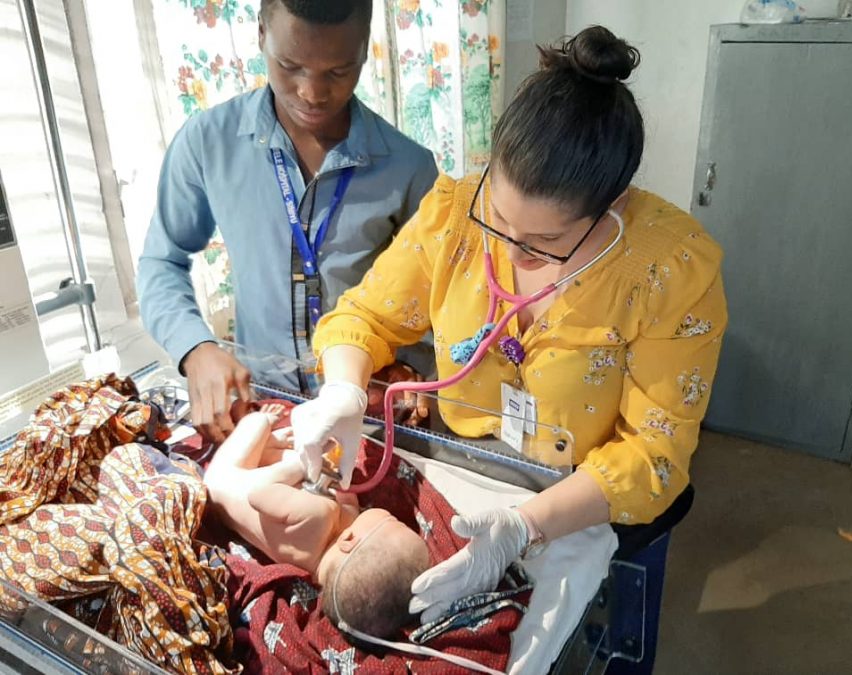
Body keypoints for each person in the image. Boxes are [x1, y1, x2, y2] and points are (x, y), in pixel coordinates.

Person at [291, 24, 728, 622]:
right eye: (499, 219)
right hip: (467, 465)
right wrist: (343, 386)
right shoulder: (453, 213)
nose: (514, 253)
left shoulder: (669, 272)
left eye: (547, 242)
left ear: (614, 205)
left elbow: (655, 454)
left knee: (577, 628)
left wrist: (524, 527)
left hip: (587, 492)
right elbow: (363, 316)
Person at [138, 0, 437, 444]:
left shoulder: (409, 167)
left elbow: (437, 293)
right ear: (261, 34)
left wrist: (411, 361)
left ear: (365, 48)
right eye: (290, 65)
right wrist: (196, 348)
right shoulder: (207, 143)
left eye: (338, 71)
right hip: (257, 408)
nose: (312, 93)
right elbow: (161, 261)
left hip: (368, 410)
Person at [203, 409, 429, 638]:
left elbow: (257, 495)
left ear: (349, 540)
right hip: (243, 503)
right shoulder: (313, 567)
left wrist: (305, 466)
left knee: (258, 422)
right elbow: (345, 500)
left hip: (223, 482)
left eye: (391, 520)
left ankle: (265, 431)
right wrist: (344, 496)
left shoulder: (318, 516)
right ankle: (272, 447)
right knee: (303, 465)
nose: (391, 515)